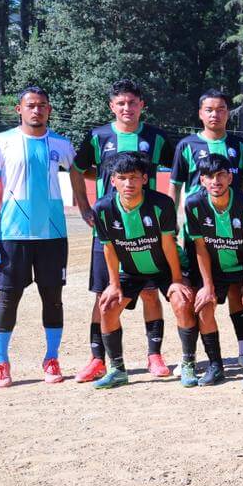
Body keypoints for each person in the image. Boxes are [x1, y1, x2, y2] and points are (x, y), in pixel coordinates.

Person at [0, 86, 86, 388]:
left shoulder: (61, 143)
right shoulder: (2, 141)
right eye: (31, 105)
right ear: (19, 109)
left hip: (53, 234)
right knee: (8, 298)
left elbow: (76, 172)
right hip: (13, 233)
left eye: (42, 105)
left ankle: (51, 357)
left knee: (53, 298)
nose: (37, 110)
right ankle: (1, 361)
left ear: (49, 110)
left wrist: (84, 207)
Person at [72, 79, 177, 383]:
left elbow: (179, 169)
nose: (127, 108)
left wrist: (172, 205)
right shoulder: (98, 136)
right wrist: (85, 206)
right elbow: (78, 169)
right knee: (103, 295)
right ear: (112, 107)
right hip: (109, 230)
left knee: (149, 292)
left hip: (148, 230)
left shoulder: (156, 137)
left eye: (132, 102)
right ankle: (97, 359)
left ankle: (154, 355)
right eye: (121, 103)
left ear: (142, 105)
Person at [92, 153, 195, 389]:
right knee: (107, 306)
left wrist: (177, 280)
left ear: (145, 179)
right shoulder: (103, 208)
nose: (128, 183)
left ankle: (188, 364)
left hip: (164, 268)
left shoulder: (161, 204)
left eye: (134, 177)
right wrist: (114, 284)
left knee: (182, 302)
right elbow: (109, 248)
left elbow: (169, 244)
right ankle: (118, 370)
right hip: (131, 270)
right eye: (122, 178)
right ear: (113, 180)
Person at [182, 153, 243, 387]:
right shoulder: (194, 204)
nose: (215, 181)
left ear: (230, 178)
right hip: (215, 268)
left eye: (220, 175)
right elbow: (200, 247)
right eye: (209, 176)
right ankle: (215, 366)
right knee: (203, 306)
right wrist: (207, 286)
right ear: (202, 180)